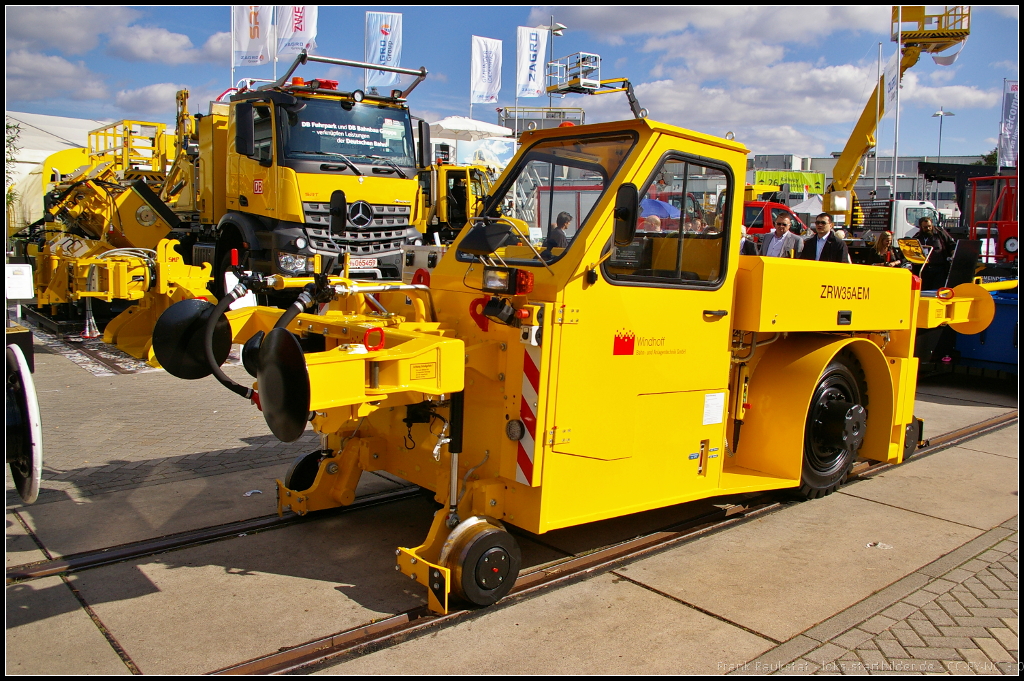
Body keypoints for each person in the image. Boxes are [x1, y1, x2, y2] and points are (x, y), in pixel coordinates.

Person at [908, 216, 954, 289]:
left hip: (939, 268)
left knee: (937, 289)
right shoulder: (917, 237)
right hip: (924, 269)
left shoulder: (940, 234)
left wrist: (953, 253)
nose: (928, 229)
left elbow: (951, 244)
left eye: (929, 226)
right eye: (925, 227)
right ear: (921, 227)